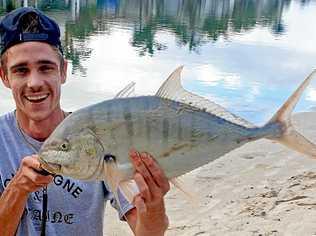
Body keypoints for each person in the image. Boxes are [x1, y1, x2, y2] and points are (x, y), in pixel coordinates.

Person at [0, 7, 170, 236]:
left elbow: (148, 232)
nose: (34, 82)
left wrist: (153, 206)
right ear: (5, 77)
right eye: (21, 70)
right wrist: (18, 189)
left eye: (45, 67)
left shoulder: (96, 136)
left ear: (63, 71)